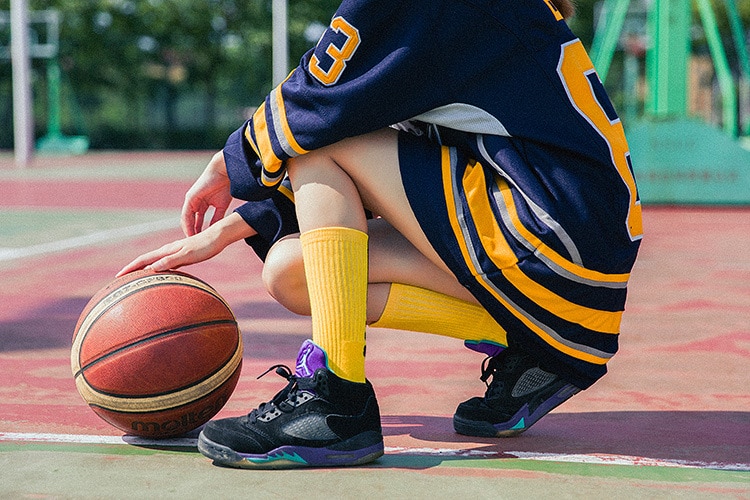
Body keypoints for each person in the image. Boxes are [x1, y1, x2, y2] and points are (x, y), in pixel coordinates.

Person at [118, 0, 642, 469]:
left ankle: (337, 400)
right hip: (570, 261)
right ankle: (541, 347)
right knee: (292, 274)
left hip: (544, 233)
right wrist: (235, 226)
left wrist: (227, 165)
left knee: (311, 145)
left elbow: (322, 106)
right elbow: (373, 130)